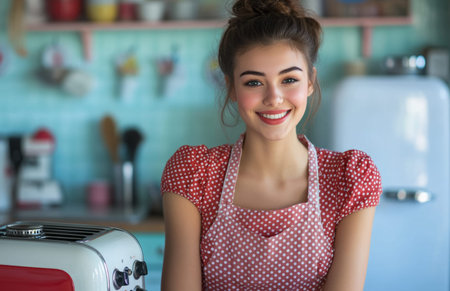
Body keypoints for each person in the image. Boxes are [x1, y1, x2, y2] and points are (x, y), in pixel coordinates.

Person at [160, 0, 382, 290]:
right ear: (232, 89)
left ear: (311, 82)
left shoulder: (349, 180)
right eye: (254, 82)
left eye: (289, 79)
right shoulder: (193, 175)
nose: (274, 98)